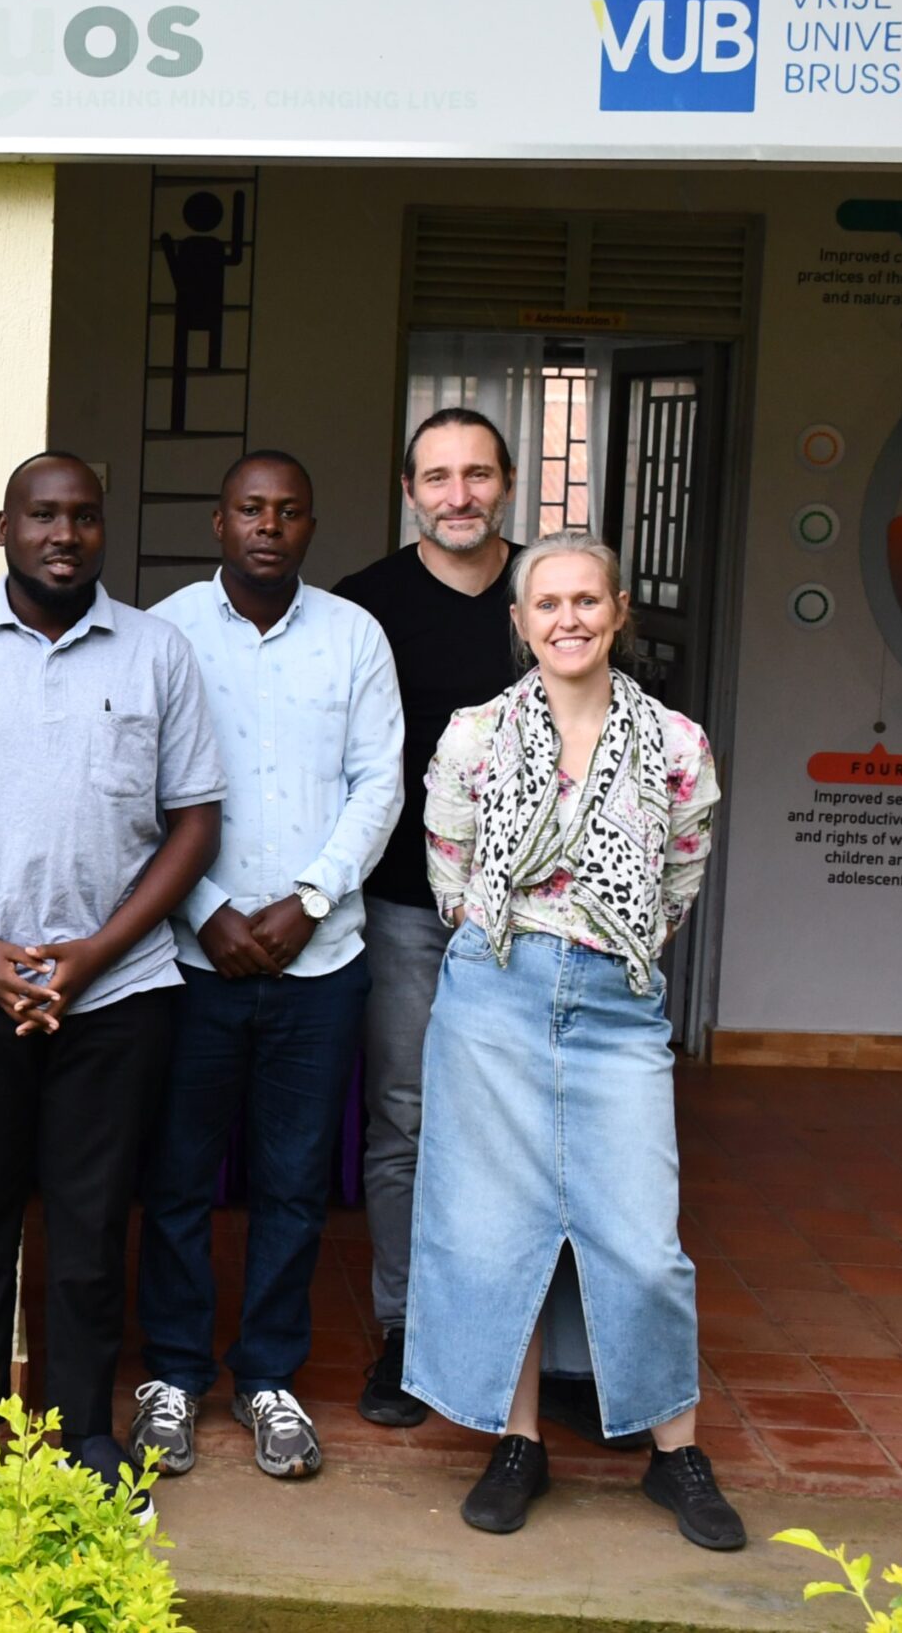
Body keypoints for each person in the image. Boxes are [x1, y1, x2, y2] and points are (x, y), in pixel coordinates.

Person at [0, 453, 224, 1507]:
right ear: (4, 527)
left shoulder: (158, 652)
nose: (63, 534)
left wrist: (94, 953)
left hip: (116, 992)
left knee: (89, 1224)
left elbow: (195, 823)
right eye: (41, 515)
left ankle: (85, 1438)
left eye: (82, 516)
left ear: (102, 529)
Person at [405, 531, 741, 1550]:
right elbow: (451, 870)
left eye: (586, 601)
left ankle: (675, 1453)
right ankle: (519, 1443)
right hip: (493, 999)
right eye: (546, 603)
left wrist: (600, 949)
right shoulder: (474, 736)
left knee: (642, 1243)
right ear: (520, 622)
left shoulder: (676, 744)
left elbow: (680, 876)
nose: (567, 619)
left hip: (616, 1004)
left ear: (619, 611)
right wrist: (518, 947)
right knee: (491, 1229)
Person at [129, 452, 403, 1483]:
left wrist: (311, 900)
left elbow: (378, 783)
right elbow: (138, 789)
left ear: (309, 527)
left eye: (289, 510)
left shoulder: (354, 635)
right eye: (251, 508)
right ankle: (171, 1373)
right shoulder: (163, 634)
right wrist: (205, 910)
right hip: (188, 959)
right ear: (219, 521)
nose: (269, 525)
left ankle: (268, 1377)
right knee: (176, 1179)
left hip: (319, 961)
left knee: (293, 1183)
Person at [331, 406, 520, 1429]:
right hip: (402, 905)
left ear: (507, 484)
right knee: (405, 1118)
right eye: (438, 477)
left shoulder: (545, 593)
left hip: (531, 915)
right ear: (409, 492)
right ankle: (406, 1331)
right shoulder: (364, 605)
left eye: (477, 474)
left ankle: (515, 1337)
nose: (459, 495)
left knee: (521, 1127)